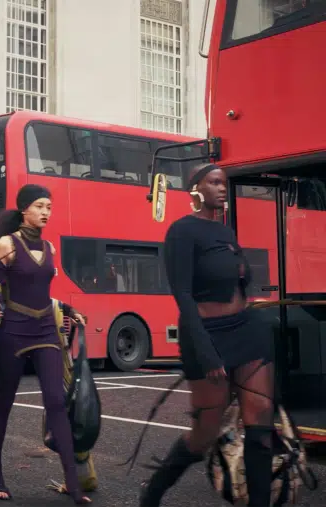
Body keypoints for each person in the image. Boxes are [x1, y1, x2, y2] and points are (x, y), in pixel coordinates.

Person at [136, 164, 274, 507]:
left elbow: (239, 281)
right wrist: (207, 351)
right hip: (206, 336)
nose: (222, 188)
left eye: (224, 183)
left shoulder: (225, 232)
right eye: (214, 183)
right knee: (204, 436)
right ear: (195, 189)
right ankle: (153, 492)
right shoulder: (182, 231)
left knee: (261, 425)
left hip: (245, 330)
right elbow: (182, 294)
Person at [0, 184, 92, 503]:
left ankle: (73, 483)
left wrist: (69, 310)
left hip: (45, 331)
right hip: (13, 333)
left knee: (56, 403)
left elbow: (40, 293)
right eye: (41, 205)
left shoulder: (50, 248)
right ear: (25, 209)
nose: (46, 211)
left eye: (49, 206)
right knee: (4, 402)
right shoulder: (6, 245)